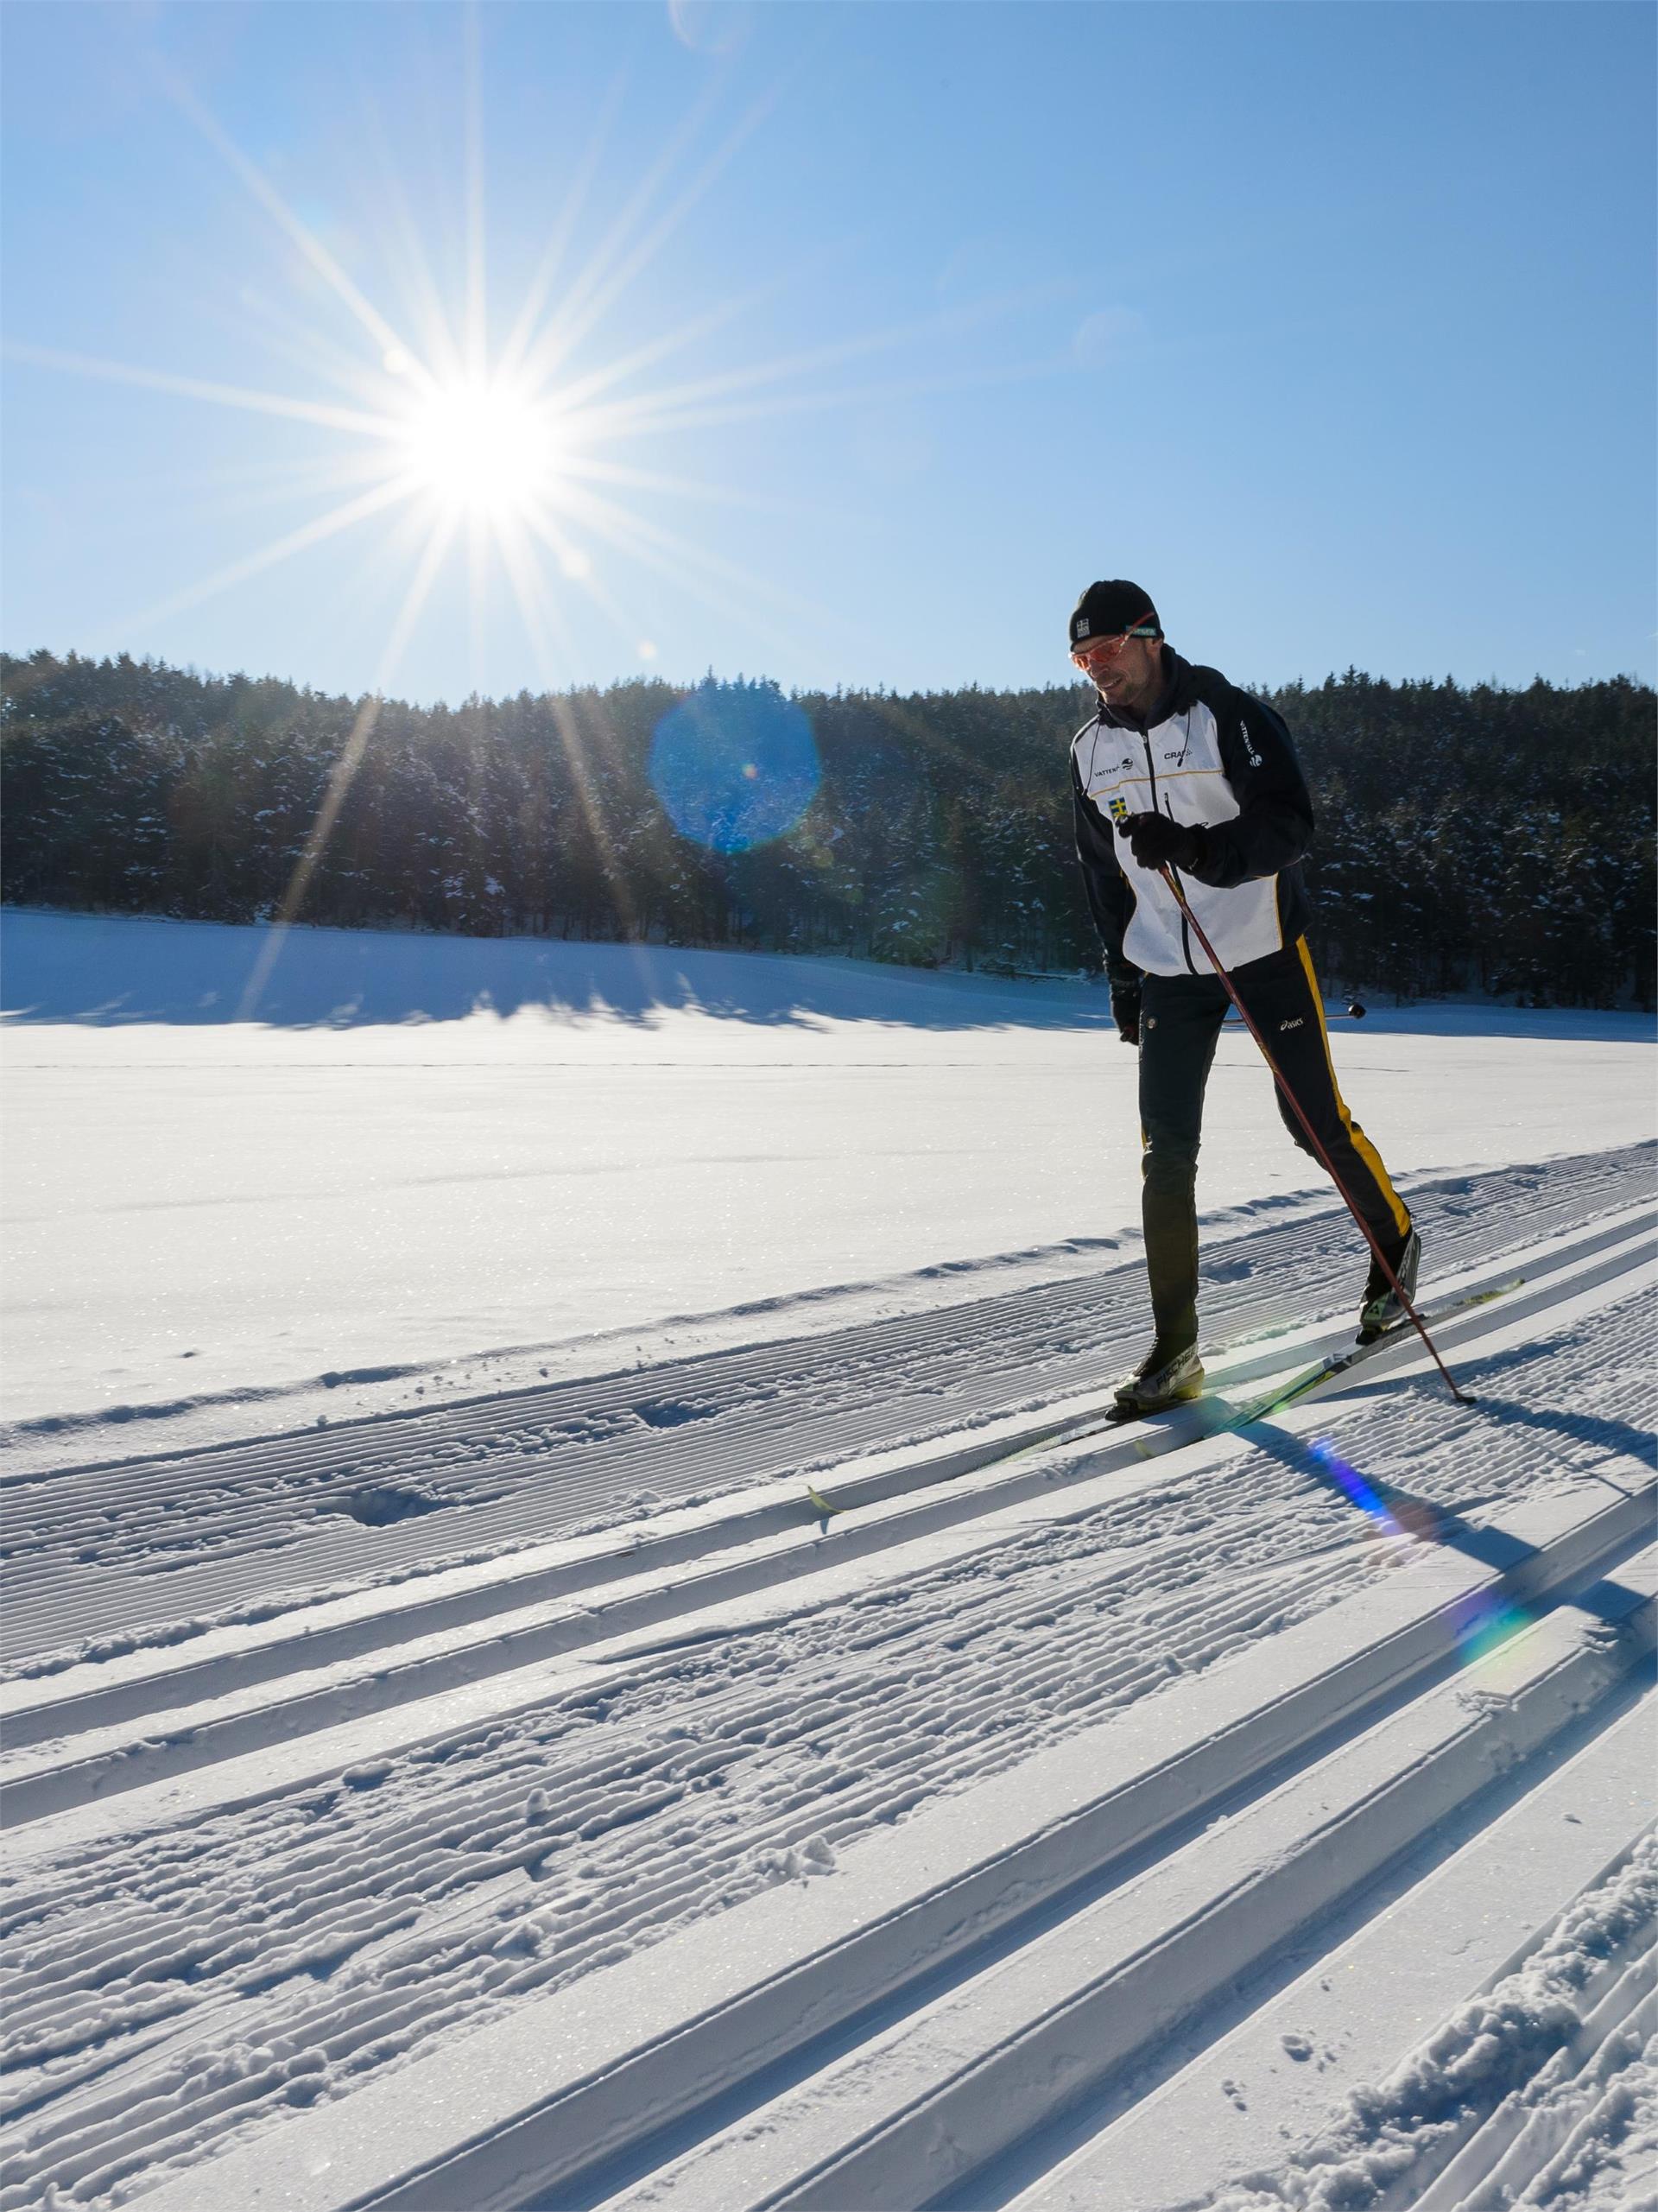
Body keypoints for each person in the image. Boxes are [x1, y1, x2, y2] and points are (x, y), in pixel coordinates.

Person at [1066, 579, 1418, 1415]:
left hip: (1262, 946)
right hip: (1167, 966)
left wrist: (1193, 846)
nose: (1097, 670)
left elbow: (1290, 823)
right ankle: (1175, 1347)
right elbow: (1102, 874)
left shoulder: (1229, 714)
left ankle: (1395, 1244)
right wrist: (1124, 976)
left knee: (1312, 1119)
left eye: (1108, 649)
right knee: (1166, 1153)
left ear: (1150, 636)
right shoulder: (1088, 750)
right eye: (1082, 658)